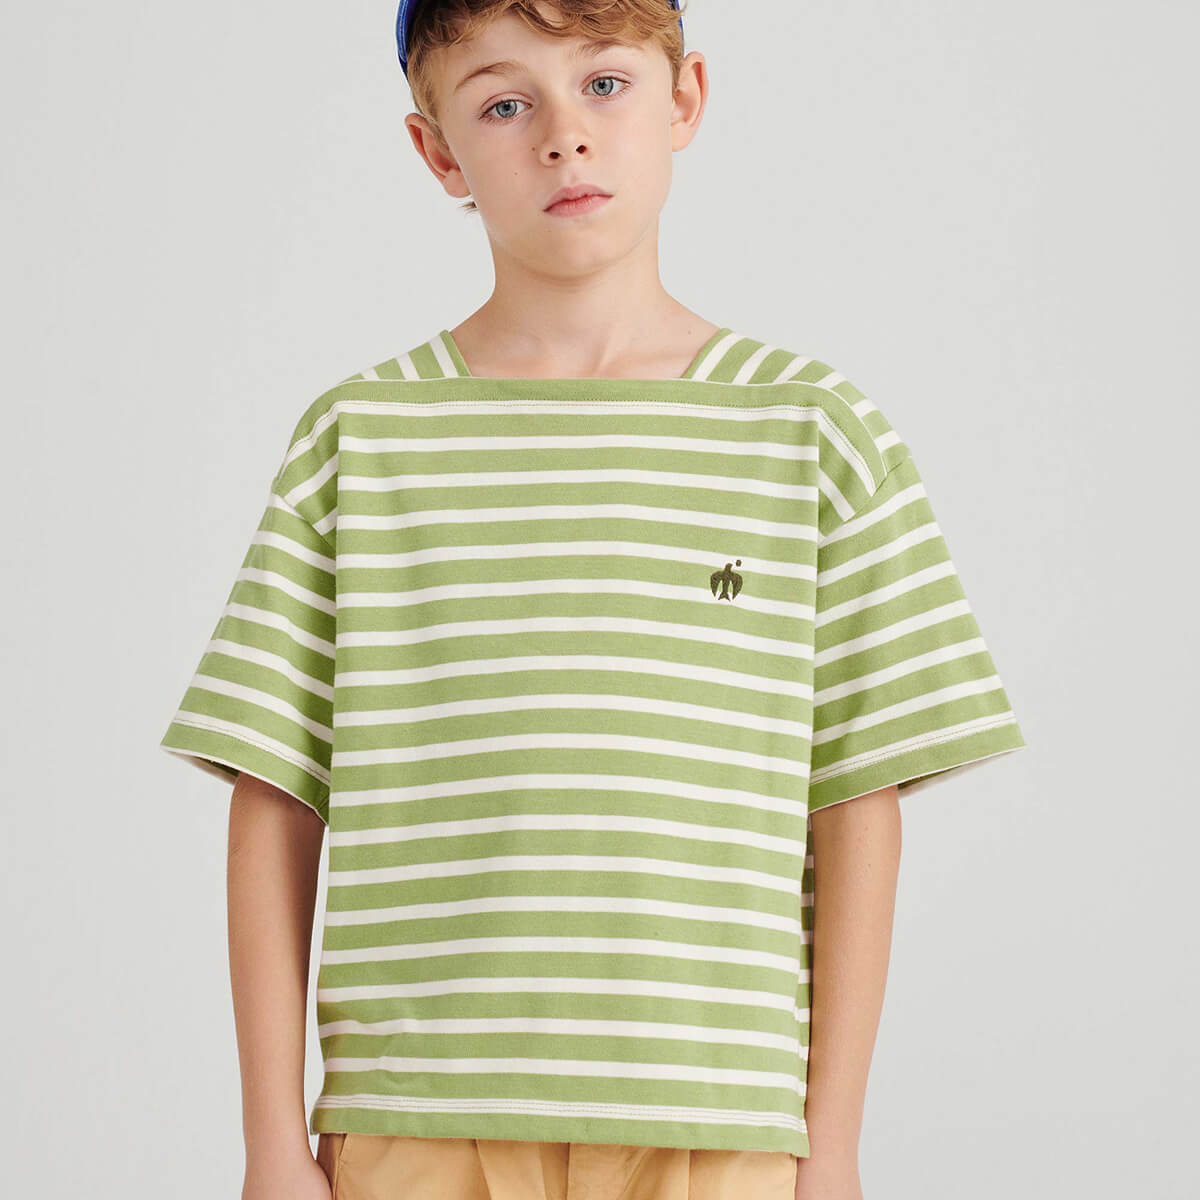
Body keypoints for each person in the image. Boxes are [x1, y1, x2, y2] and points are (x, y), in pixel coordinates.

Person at [158, 2, 1027, 1198]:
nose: (563, 135)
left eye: (605, 83)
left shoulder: (814, 434)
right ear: (438, 152)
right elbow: (274, 790)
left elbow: (856, 798)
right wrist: (270, 1142)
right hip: (423, 1120)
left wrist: (830, 1145)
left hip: (717, 1126)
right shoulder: (361, 440)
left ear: (685, 99)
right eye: (505, 103)